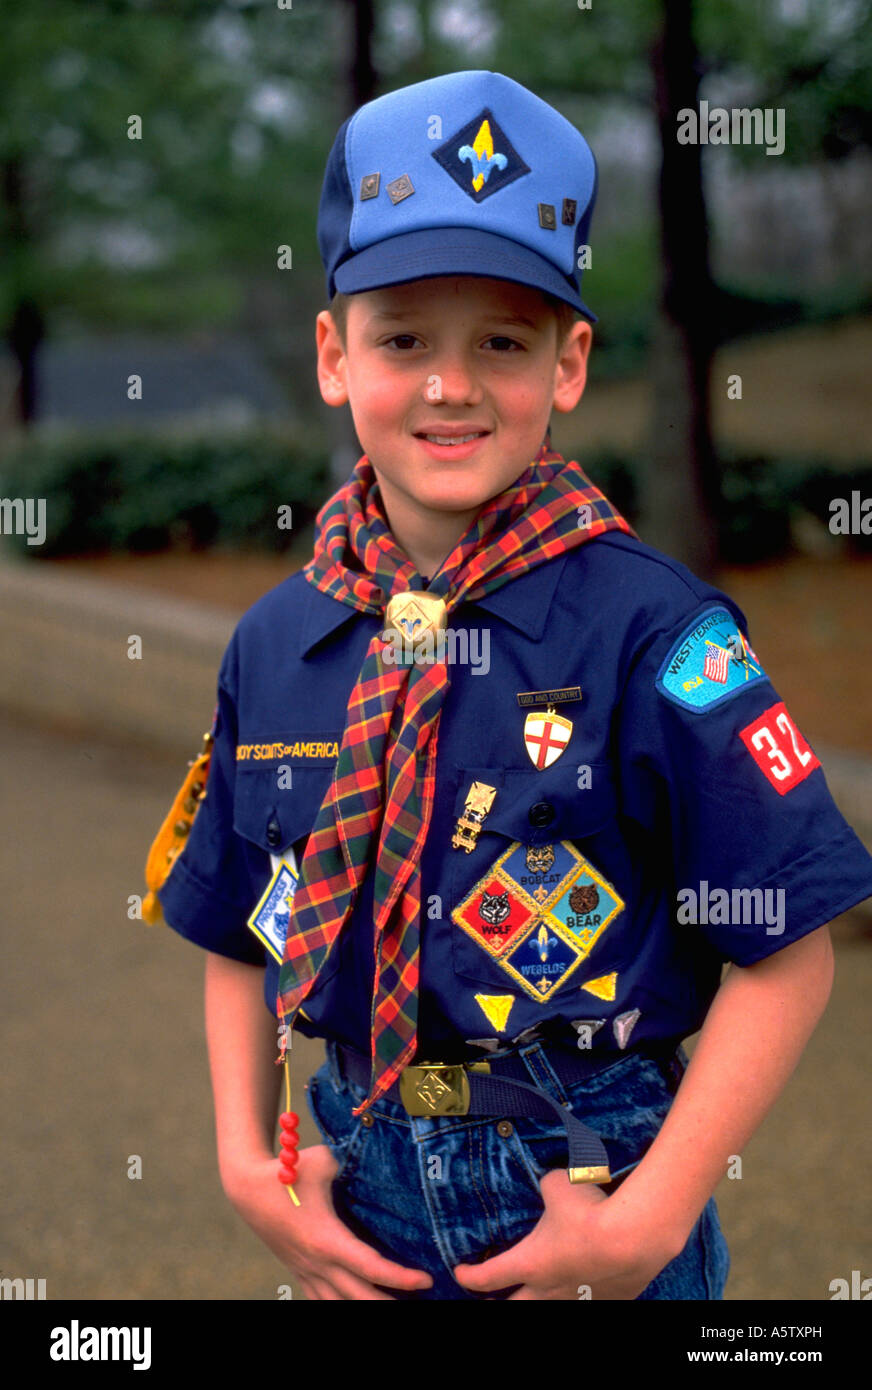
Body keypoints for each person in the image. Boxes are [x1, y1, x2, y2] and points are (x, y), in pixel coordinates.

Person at [146, 70, 872, 1301]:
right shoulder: (275, 643)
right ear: (334, 355)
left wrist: (645, 1222)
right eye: (403, 339)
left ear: (569, 360)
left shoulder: (653, 632)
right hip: (362, 1174)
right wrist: (243, 1157)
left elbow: (789, 947)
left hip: (584, 1171)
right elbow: (235, 923)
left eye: (501, 340)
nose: (449, 384)